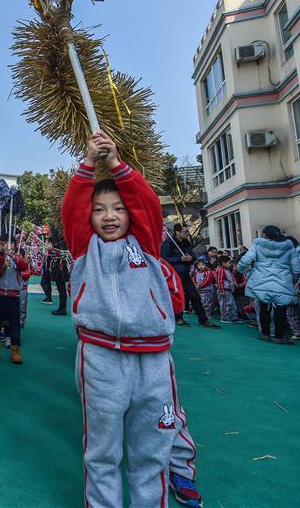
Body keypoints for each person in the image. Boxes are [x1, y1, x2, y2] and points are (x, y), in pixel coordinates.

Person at [62, 132, 182, 507]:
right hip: (100, 360)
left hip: (153, 361)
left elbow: (148, 204)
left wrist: (115, 163)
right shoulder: (84, 247)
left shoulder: (145, 243)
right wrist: (86, 164)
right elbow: (71, 208)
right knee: (102, 452)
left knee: (152, 452)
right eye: (99, 209)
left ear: (131, 214)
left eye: (117, 208)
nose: (109, 216)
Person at [237, 225, 300, 345]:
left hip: (261, 280)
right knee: (280, 310)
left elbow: (245, 261)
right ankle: (279, 337)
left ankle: (265, 334)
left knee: (263, 308)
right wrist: (291, 280)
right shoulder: (289, 246)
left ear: (265, 235)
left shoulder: (258, 245)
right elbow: (297, 269)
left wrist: (242, 271)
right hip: (283, 281)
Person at [161, 224, 217, 328]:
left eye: (188, 231)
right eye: (185, 231)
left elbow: (193, 256)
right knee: (178, 296)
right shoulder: (168, 243)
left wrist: (190, 258)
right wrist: (180, 259)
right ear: (177, 232)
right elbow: (163, 259)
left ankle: (203, 319)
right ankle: (178, 318)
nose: (188, 233)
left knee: (195, 296)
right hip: (174, 275)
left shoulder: (186, 243)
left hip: (185, 274)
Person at [0, 236, 28, 364]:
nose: (8, 245)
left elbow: (24, 267)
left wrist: (13, 257)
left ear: (15, 244)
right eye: (5, 243)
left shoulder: (18, 257)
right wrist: (2, 260)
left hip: (14, 296)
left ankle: (15, 350)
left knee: (15, 325)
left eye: (11, 243)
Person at [214, 256, 241, 324]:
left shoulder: (227, 270)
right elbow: (219, 281)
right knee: (225, 304)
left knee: (232, 304)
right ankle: (225, 317)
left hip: (229, 290)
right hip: (224, 290)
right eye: (229, 263)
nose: (230, 264)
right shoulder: (220, 269)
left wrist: (235, 284)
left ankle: (233, 317)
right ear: (223, 263)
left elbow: (231, 278)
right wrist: (222, 290)